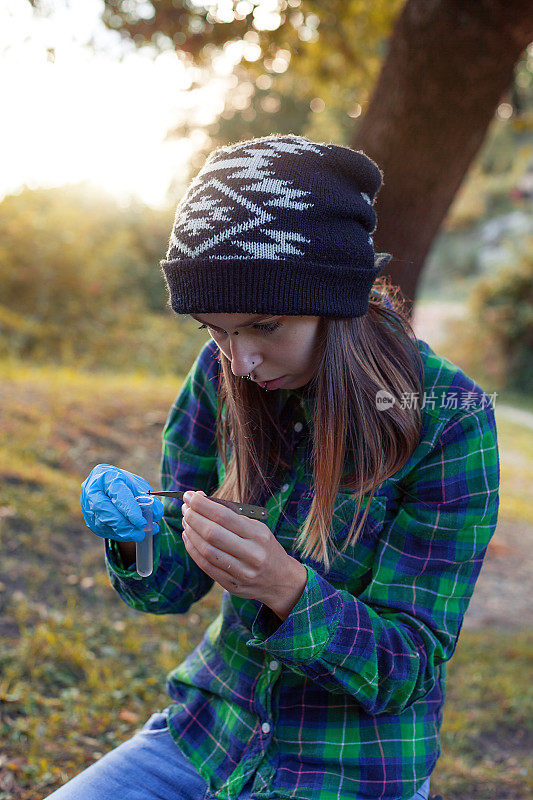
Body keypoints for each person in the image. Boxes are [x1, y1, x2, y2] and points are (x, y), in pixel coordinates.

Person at [49, 134, 499, 800]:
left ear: (335, 302)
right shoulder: (220, 376)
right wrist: (136, 532)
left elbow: (406, 665)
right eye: (214, 328)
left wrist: (284, 588)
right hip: (209, 732)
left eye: (264, 325)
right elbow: (168, 590)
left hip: (348, 769)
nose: (239, 361)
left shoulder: (446, 416)